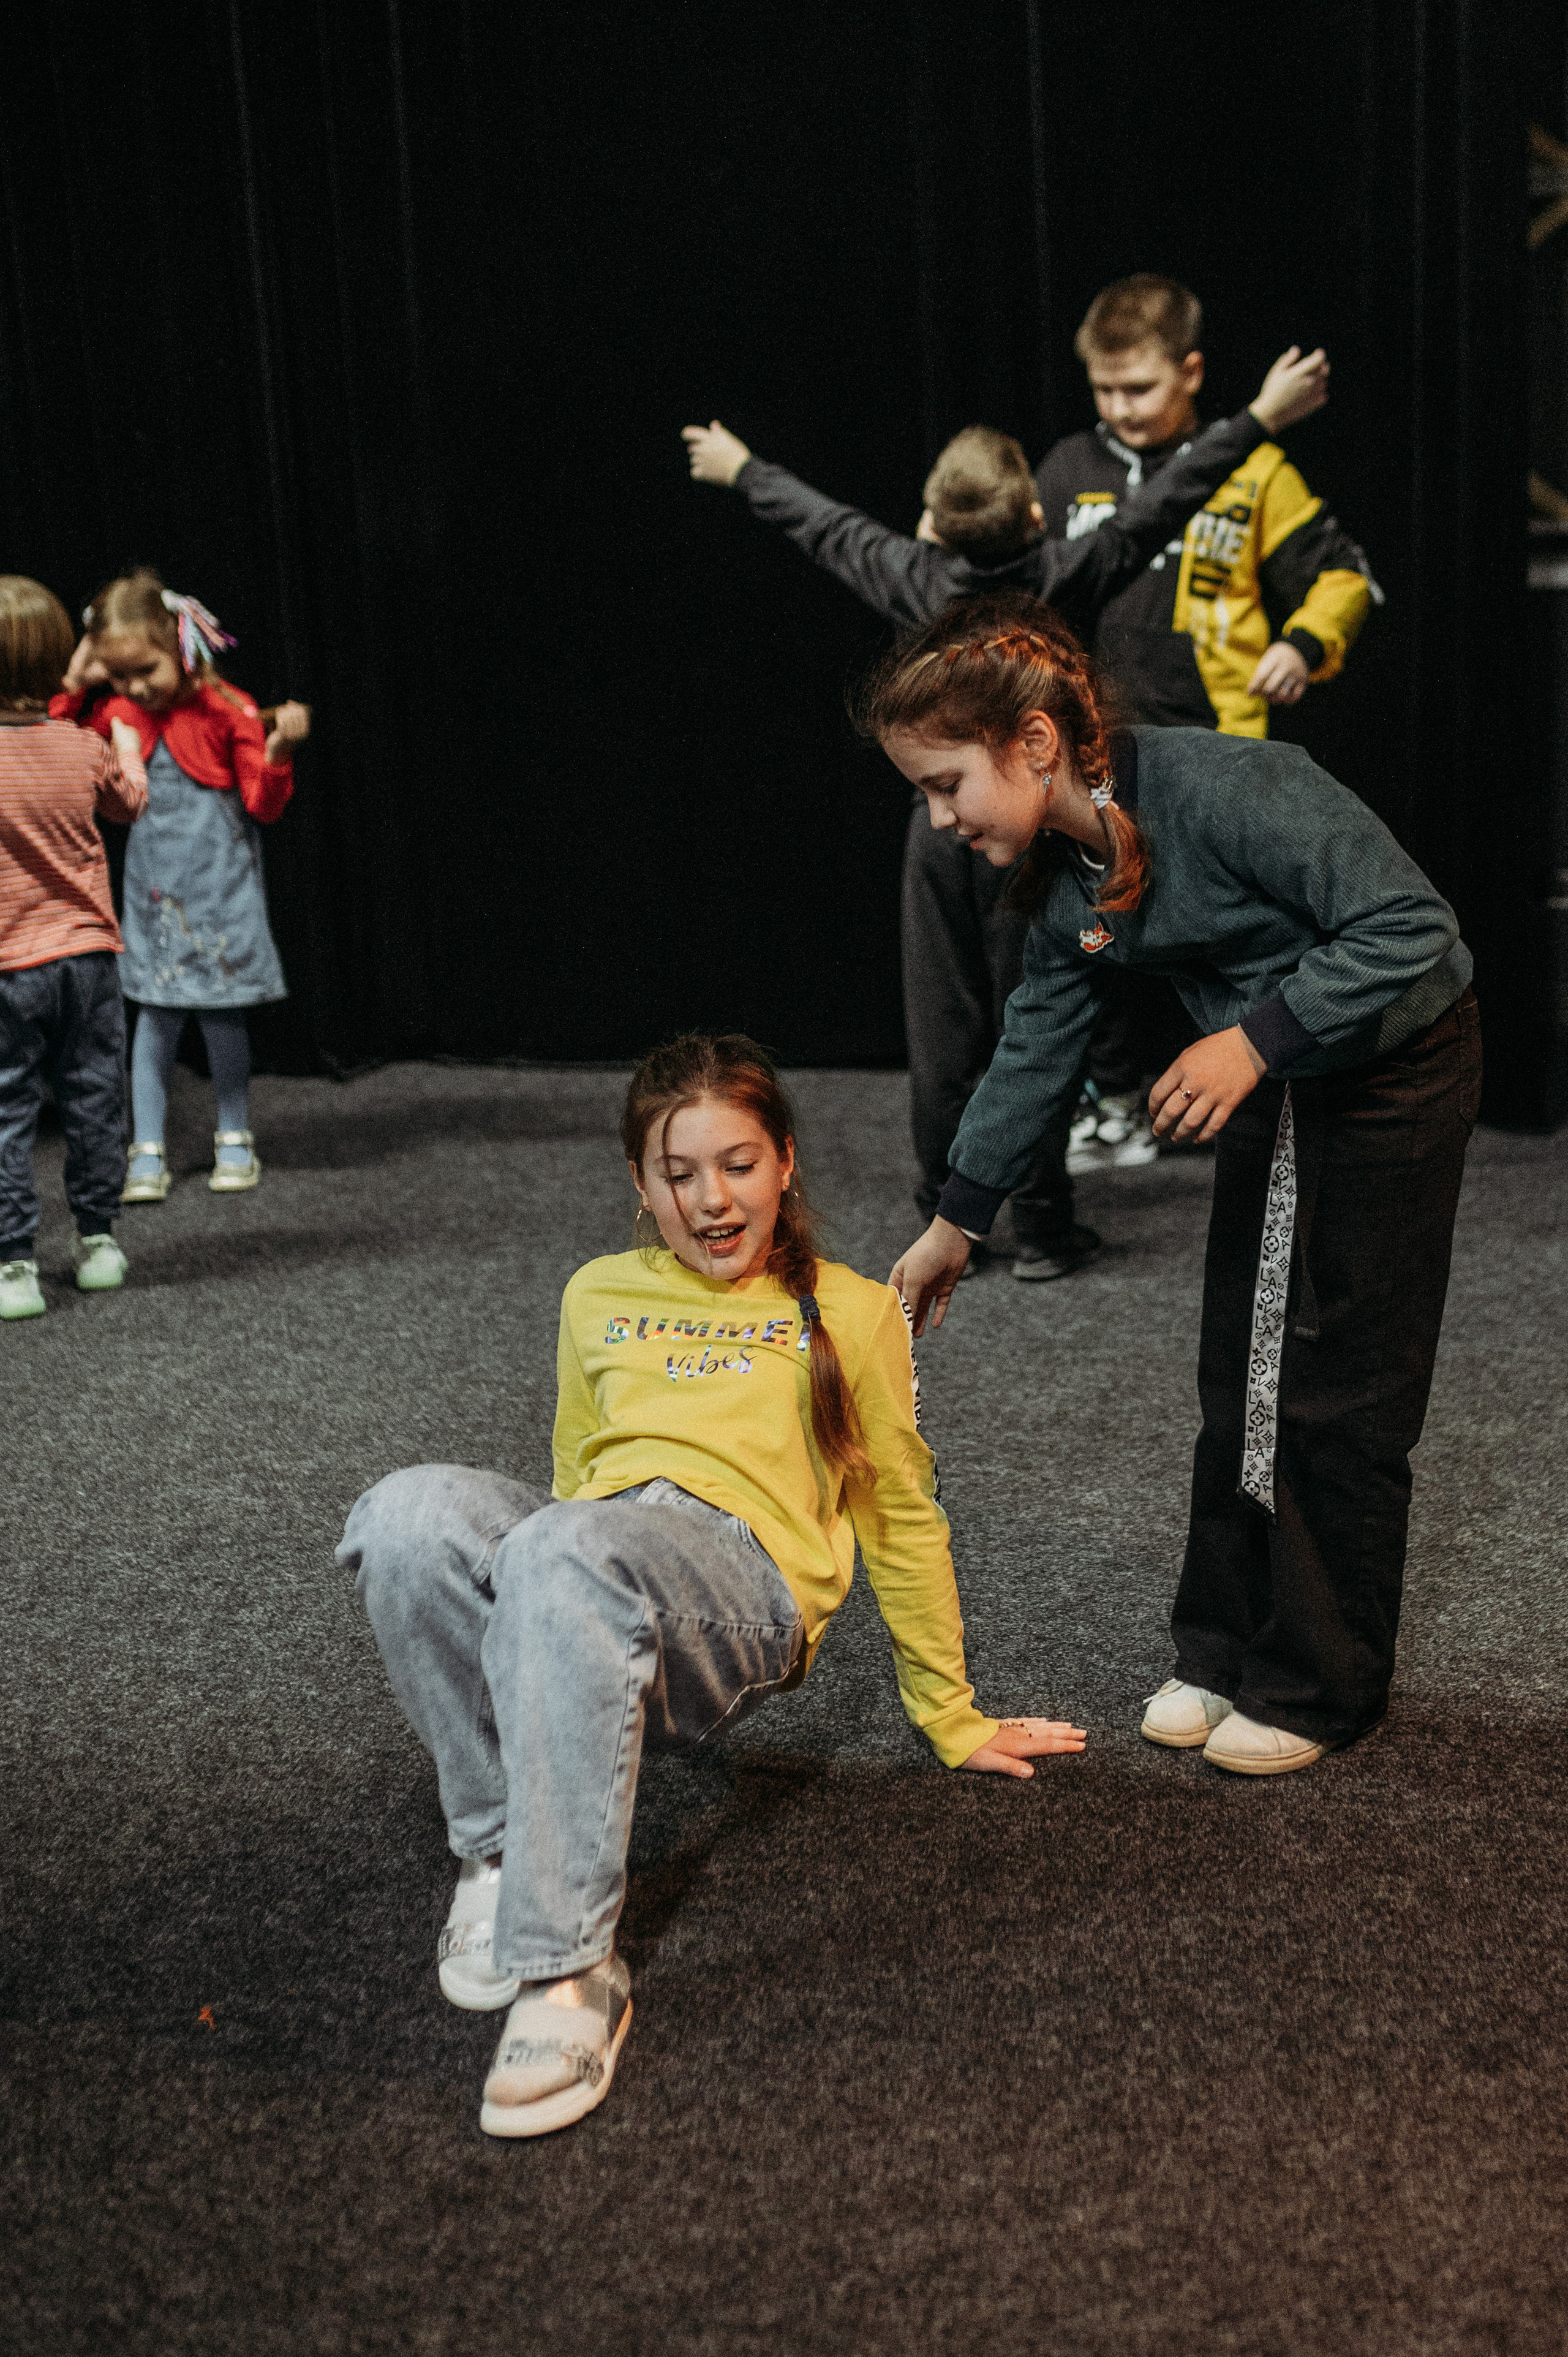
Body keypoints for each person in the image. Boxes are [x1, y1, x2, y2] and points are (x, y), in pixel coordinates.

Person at [337, 1033, 1087, 2137]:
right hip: (598, 1544)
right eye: (678, 1173)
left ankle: (569, 1970)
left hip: (741, 1588)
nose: (711, 1198)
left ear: (785, 1161)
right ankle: (497, 1852)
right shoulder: (595, 1292)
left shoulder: (855, 1310)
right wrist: (556, 1627)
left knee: (563, 1550)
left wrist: (950, 1710)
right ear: (639, 1185)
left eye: (736, 1163)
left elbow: (902, 1515)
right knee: (404, 1513)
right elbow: (573, 1471)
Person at [866, 599, 1479, 1780]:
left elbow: (1415, 927)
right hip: (1281, 1078)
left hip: (1394, 1069)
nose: (942, 821)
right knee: (1240, 1370)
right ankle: (1225, 1644)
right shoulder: (1061, 881)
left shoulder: (1229, 787)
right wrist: (956, 1224)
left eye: (948, 786)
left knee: (1336, 1383)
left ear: (1035, 744)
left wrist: (1252, 1039)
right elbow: (1033, 1047)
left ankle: (1318, 1683)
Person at [682, 344, 1330, 1281]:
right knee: (1036, 1016)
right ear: (1035, 514)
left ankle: (951, 1210)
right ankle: (1042, 1222)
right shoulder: (1072, 568)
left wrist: (744, 468)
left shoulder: (916, 575)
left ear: (934, 528)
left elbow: (825, 526)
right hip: (1028, 829)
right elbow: (1170, 497)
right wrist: (1261, 417)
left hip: (938, 832)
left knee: (944, 1022)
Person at [1036, 276, 1381, 1156]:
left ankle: (1259, 1100)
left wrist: (1304, 644)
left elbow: (1347, 575)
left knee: (1240, 933)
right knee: (1092, 930)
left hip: (1218, 751)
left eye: (1141, 387)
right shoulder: (1069, 468)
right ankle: (1113, 1102)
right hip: (1094, 748)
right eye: (1105, 389)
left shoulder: (1253, 465)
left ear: (1191, 371)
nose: (1121, 407)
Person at [51, 570, 309, 1201]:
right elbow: (56, 757)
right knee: (154, 1020)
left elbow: (263, 805)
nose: (135, 686)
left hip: (220, 897)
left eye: (146, 669)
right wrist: (72, 684)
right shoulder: (115, 715)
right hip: (153, 902)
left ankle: (234, 1135)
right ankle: (146, 1148)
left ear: (180, 644)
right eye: (120, 674)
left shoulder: (229, 711)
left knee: (222, 1021)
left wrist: (276, 751)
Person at [0, 577, 148, 1319]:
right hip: (87, 959)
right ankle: (97, 1241)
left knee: (6, 1109)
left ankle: (13, 1264)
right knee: (94, 1098)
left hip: (8, 966)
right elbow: (129, 804)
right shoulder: (82, 745)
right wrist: (126, 747)